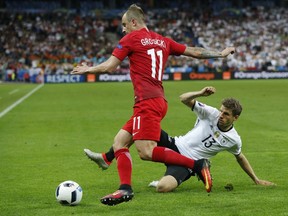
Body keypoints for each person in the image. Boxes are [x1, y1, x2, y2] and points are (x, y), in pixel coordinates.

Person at [71, 4, 236, 206]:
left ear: (134, 22)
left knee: (146, 151)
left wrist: (88, 68)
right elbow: (195, 51)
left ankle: (196, 164)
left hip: (146, 102)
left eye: (124, 24)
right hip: (158, 100)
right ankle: (111, 167)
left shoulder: (131, 38)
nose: (122, 29)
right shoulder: (163, 40)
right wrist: (220, 53)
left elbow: (109, 66)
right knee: (120, 142)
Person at [85, 86, 275, 193]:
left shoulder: (233, 139)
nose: (221, 115)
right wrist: (200, 93)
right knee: (140, 123)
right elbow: (183, 98)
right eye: (221, 111)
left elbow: (240, 157)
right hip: (174, 144)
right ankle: (107, 157)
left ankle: (195, 166)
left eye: (226, 114)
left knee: (162, 188)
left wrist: (256, 179)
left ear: (235, 118)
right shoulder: (210, 113)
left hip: (186, 165)